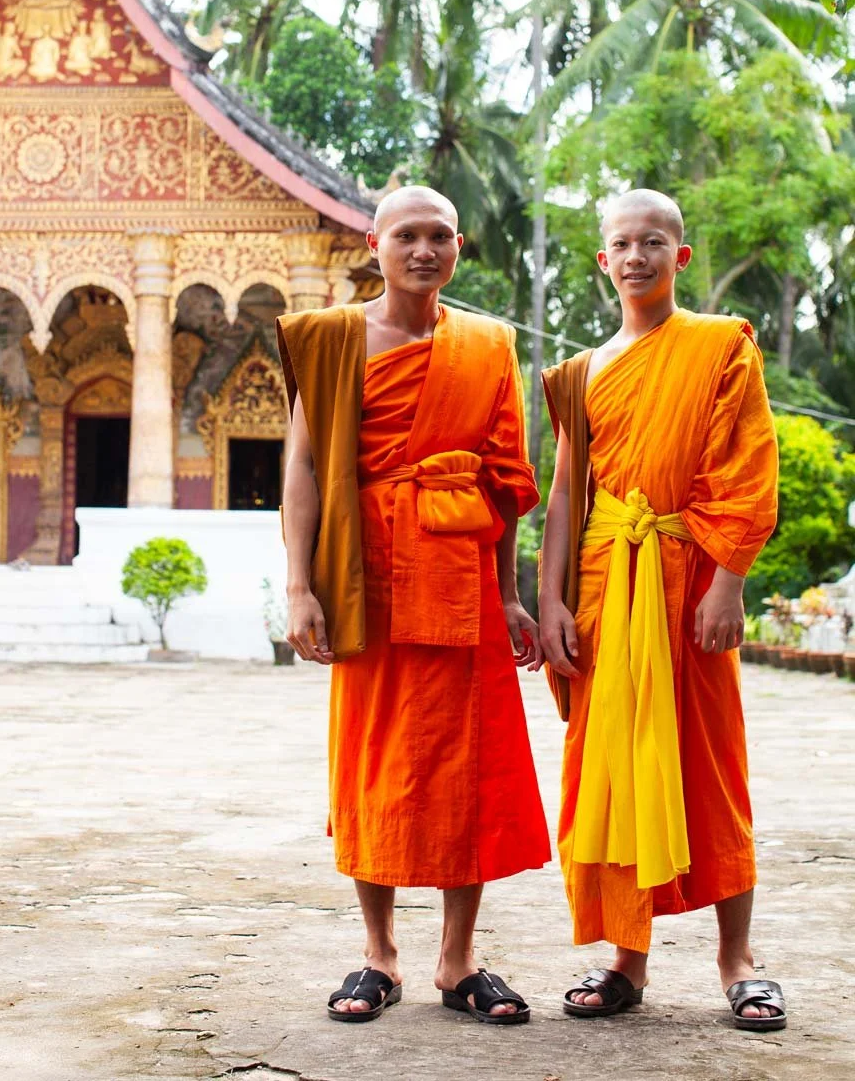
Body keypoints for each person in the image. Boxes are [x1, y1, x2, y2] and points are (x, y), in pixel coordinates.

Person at [277, 186, 550, 1027]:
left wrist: (510, 595)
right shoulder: (329, 339)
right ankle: (378, 954)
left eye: (439, 236)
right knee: (376, 764)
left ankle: (459, 959)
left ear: (458, 247)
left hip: (463, 578)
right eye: (407, 235)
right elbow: (304, 471)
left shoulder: (487, 345)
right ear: (375, 244)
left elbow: (505, 483)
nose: (422, 249)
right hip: (369, 580)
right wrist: (298, 585)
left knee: (468, 769)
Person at [539, 188, 785, 1032]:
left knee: (710, 764)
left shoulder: (720, 347)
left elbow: (747, 469)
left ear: (680, 257)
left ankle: (737, 961)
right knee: (609, 767)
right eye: (622, 243)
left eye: (654, 242)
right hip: (609, 583)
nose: (637, 256)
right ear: (602, 261)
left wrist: (729, 581)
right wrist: (551, 601)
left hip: (688, 579)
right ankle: (625, 960)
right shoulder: (582, 372)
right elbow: (568, 493)